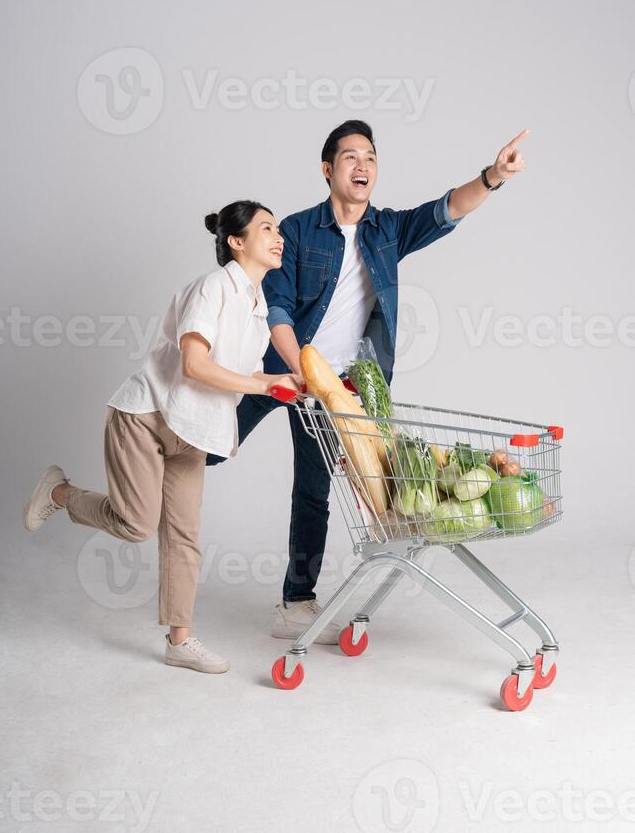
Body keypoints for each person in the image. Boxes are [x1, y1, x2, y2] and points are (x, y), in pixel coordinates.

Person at [206, 119, 529, 644]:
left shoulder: (388, 230)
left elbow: (446, 209)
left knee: (314, 488)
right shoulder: (298, 229)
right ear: (328, 169)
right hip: (279, 368)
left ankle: (295, 602)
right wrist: (300, 373)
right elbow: (279, 309)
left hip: (343, 387)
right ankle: (130, 472)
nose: (363, 165)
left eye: (371, 157)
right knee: (208, 447)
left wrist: (494, 176)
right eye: (351, 157)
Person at [22, 201, 302, 674]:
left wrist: (286, 381)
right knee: (135, 525)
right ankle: (58, 490)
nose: (279, 237)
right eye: (267, 229)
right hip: (147, 415)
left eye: (278, 229)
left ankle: (180, 640)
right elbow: (194, 364)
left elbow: (239, 368)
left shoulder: (257, 305)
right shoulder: (212, 288)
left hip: (195, 430)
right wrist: (261, 384)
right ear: (237, 242)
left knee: (184, 537)